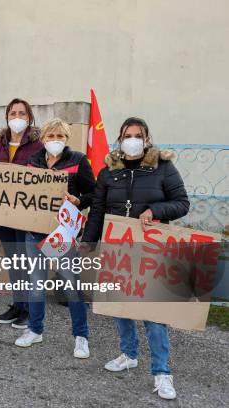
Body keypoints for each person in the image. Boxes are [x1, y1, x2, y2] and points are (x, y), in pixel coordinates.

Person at [80, 117, 189, 400]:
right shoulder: (108, 172)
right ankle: (128, 353)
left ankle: (162, 372)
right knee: (120, 306)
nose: (132, 139)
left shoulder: (162, 167)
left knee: (153, 315)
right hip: (117, 248)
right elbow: (98, 210)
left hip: (150, 250)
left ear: (146, 138)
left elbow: (182, 203)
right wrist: (88, 242)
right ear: (120, 138)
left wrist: (155, 210)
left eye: (137, 135)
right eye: (127, 135)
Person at [11, 118, 95, 358]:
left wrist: (79, 201)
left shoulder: (78, 160)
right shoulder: (33, 161)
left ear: (66, 138)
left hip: (62, 234)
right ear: (43, 139)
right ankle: (35, 329)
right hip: (35, 232)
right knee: (36, 283)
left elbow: (94, 192)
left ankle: (81, 336)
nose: (55, 141)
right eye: (51, 136)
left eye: (60, 136)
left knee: (70, 285)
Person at [0, 98, 43, 329]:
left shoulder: (38, 146)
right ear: (7, 117)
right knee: (13, 260)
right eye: (13, 113)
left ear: (29, 118)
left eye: (21, 113)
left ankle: (29, 309)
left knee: (27, 261)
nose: (17, 117)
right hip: (3, 213)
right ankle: (18, 304)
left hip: (27, 214)